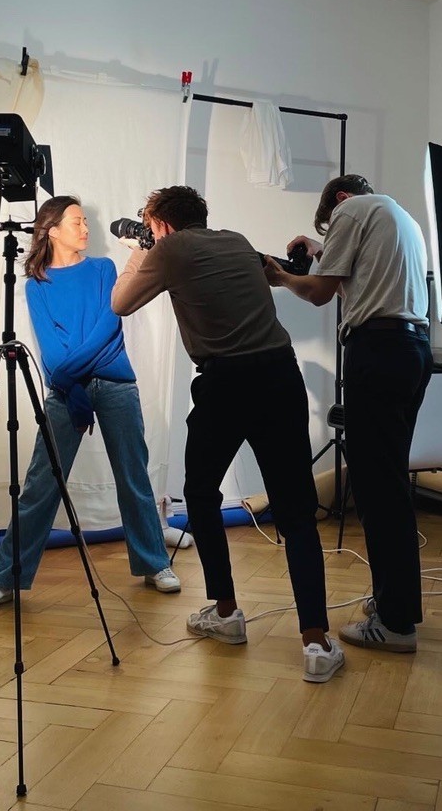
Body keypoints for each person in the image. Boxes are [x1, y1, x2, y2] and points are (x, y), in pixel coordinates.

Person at [112, 186, 344, 683]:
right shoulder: (236, 240)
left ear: (162, 225)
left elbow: (120, 303)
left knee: (199, 493)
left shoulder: (167, 248)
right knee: (296, 509)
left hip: (225, 383)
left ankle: (225, 613)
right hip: (279, 375)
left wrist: (140, 252)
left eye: (150, 226)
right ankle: (317, 641)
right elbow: (277, 272)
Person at [0, 195, 179, 615]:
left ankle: (155, 563)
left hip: (114, 386)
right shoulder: (36, 284)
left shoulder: (103, 269)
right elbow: (49, 352)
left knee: (132, 475)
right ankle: (2, 580)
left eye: (85, 221)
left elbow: (107, 326)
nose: (86, 229)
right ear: (53, 229)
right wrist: (72, 386)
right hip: (66, 393)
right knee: (39, 487)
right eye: (78, 222)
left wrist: (70, 376)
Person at [265, 174, 431, 653]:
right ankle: (394, 604)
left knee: (378, 491)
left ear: (338, 201)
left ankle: (396, 624)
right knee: (390, 483)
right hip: (413, 349)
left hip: (378, 350)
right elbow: (361, 284)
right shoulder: (402, 218)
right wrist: (321, 250)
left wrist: (281, 275)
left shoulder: (349, 211)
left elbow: (319, 293)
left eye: (329, 224)